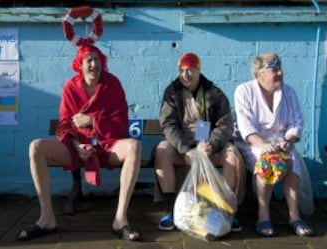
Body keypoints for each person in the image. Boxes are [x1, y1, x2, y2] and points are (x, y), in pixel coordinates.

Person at [16, 44, 142, 241]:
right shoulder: (69, 87)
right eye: (88, 60)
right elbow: (64, 125)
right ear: (80, 65)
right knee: (36, 147)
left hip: (106, 145)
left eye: (97, 59)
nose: (94, 64)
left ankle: (120, 219)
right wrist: (77, 146)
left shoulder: (113, 84)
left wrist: (92, 121)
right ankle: (46, 218)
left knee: (134, 146)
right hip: (75, 147)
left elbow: (121, 123)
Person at [154, 52, 246, 232]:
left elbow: (225, 124)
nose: (185, 75)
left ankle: (227, 210)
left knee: (232, 155)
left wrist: (212, 144)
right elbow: (168, 124)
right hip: (183, 147)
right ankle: (170, 209)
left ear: (198, 70)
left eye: (190, 70)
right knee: (162, 151)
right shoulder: (171, 93)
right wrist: (186, 149)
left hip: (208, 146)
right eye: (182, 70)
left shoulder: (214, 92)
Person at [234, 52, 314, 237]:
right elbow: (245, 125)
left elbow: (297, 122)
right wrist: (262, 145)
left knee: (291, 160)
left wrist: (289, 140)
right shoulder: (244, 91)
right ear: (259, 74)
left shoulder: (289, 92)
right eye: (274, 70)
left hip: (282, 142)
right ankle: (263, 216)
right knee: (267, 161)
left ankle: (294, 216)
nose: (280, 73)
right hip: (253, 143)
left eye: (280, 69)